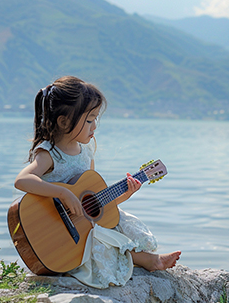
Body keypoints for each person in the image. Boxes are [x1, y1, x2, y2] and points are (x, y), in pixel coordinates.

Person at [14, 76, 181, 288]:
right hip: (58, 236)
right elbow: (22, 180)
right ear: (64, 121)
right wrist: (63, 193)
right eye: (90, 120)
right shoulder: (49, 153)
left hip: (84, 228)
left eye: (95, 119)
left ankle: (145, 258)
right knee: (102, 240)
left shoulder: (86, 152)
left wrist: (126, 193)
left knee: (118, 225)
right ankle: (149, 261)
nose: (95, 126)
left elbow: (93, 205)